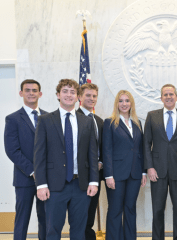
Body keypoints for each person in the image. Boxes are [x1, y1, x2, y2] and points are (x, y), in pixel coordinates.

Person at [34, 79, 99, 240]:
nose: (69, 95)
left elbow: (92, 154)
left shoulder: (87, 121)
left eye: (72, 92)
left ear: (78, 97)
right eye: (65, 91)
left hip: (81, 186)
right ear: (58, 95)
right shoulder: (45, 120)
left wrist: (94, 181)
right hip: (54, 186)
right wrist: (41, 185)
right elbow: (39, 155)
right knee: (53, 231)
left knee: (79, 231)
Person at [144, 84, 177, 240]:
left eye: (171, 94)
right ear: (161, 98)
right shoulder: (152, 116)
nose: (168, 97)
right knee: (158, 209)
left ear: (176, 97)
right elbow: (146, 143)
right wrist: (150, 167)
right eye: (165, 94)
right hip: (157, 171)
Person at [4, 79, 47, 240]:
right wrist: (32, 170)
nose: (31, 93)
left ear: (40, 94)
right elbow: (12, 150)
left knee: (45, 219)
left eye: (34, 90)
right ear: (21, 93)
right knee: (22, 220)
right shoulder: (13, 119)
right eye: (27, 90)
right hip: (24, 179)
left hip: (46, 179)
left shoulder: (49, 117)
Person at [103, 90, 147, 240]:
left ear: (131, 103)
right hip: (116, 174)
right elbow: (106, 150)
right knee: (115, 210)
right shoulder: (109, 122)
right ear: (116, 104)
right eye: (120, 101)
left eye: (127, 101)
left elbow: (140, 149)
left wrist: (143, 172)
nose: (124, 104)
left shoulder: (137, 123)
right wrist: (108, 175)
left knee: (130, 209)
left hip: (134, 173)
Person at [77, 83, 105, 240]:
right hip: (80, 175)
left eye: (94, 96)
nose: (91, 98)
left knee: (90, 212)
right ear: (79, 97)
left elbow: (102, 146)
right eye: (88, 95)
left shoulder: (99, 121)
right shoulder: (74, 118)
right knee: (80, 213)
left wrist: (100, 161)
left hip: (96, 174)